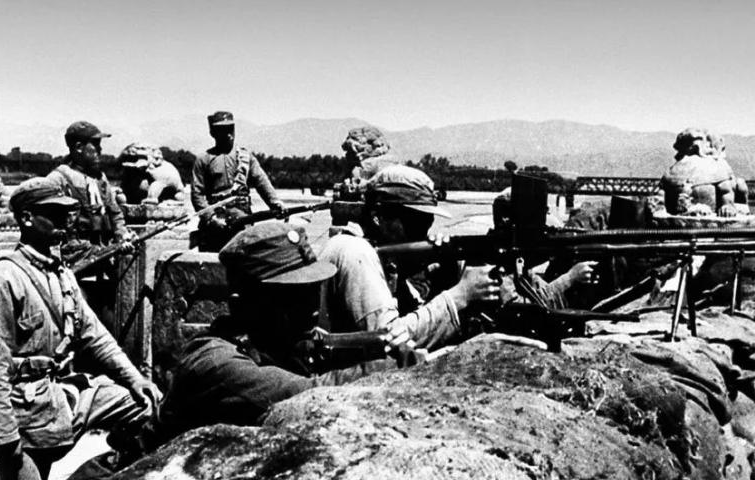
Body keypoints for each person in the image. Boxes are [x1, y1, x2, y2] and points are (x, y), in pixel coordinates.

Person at [0, 177, 161, 480]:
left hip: (65, 395)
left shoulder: (60, 273)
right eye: (54, 213)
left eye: (67, 213)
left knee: (147, 406)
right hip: (26, 414)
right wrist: (5, 437)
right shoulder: (3, 278)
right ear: (27, 218)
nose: (66, 220)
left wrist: (136, 379)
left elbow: (95, 335)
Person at [137, 221, 403, 447]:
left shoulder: (273, 340)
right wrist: (403, 364)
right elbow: (313, 395)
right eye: (293, 299)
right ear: (243, 306)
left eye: (314, 292)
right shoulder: (218, 364)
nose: (312, 309)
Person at [320, 165, 501, 352]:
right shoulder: (355, 251)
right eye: (414, 222)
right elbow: (389, 340)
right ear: (377, 216)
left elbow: (408, 315)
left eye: (427, 222)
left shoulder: (379, 255)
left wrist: (443, 276)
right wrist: (459, 296)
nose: (423, 233)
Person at [191, 111, 286, 251]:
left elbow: (261, 181)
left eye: (231, 129)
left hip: (242, 218)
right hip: (216, 220)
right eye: (223, 130)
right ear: (213, 133)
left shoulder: (245, 157)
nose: (229, 134)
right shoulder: (203, 159)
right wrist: (211, 218)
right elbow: (197, 194)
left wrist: (275, 203)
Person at [46, 121, 136, 268]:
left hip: (105, 252)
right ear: (79, 147)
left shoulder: (100, 178)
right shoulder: (58, 179)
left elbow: (115, 213)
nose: (100, 149)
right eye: (95, 144)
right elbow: (47, 224)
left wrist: (123, 236)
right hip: (75, 257)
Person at [117, 143, 185, 205]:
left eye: (142, 149)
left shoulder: (161, 170)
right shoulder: (130, 171)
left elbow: (157, 184)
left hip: (170, 192)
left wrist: (151, 198)